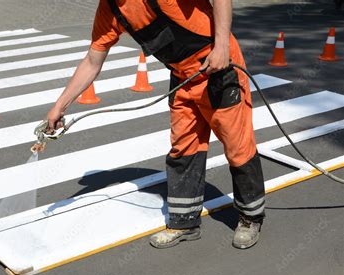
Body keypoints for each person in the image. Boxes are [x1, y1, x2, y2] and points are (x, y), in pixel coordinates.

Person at [45, 0, 265, 250]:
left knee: (237, 146)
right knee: (183, 149)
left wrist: (222, 45)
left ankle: (250, 218)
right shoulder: (110, 9)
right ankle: (184, 223)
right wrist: (59, 106)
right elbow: (92, 60)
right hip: (183, 78)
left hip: (219, 67)